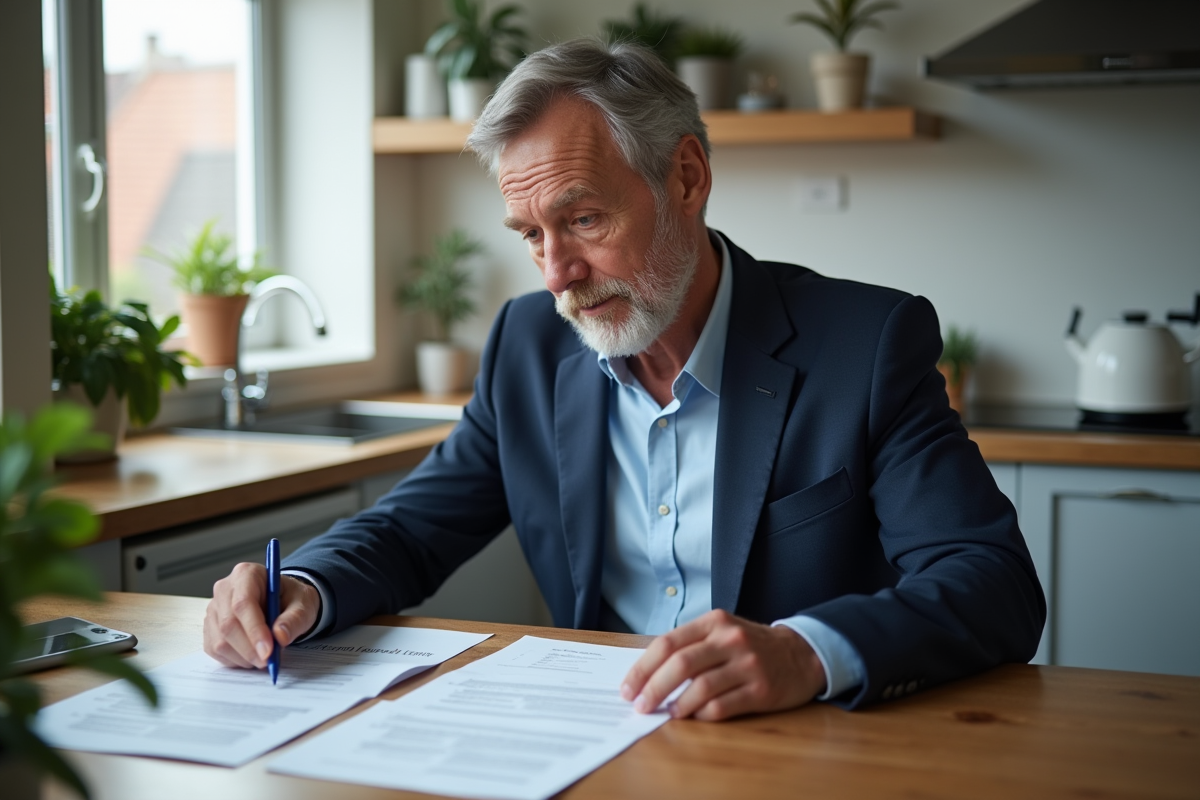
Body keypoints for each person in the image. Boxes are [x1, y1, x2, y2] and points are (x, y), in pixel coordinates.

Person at [204, 39, 1045, 720]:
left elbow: (992, 583)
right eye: (530, 234)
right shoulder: (528, 344)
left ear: (686, 177)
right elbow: (411, 530)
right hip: (594, 742)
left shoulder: (862, 345)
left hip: (800, 747)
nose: (557, 275)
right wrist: (300, 589)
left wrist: (803, 651)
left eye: (583, 219)